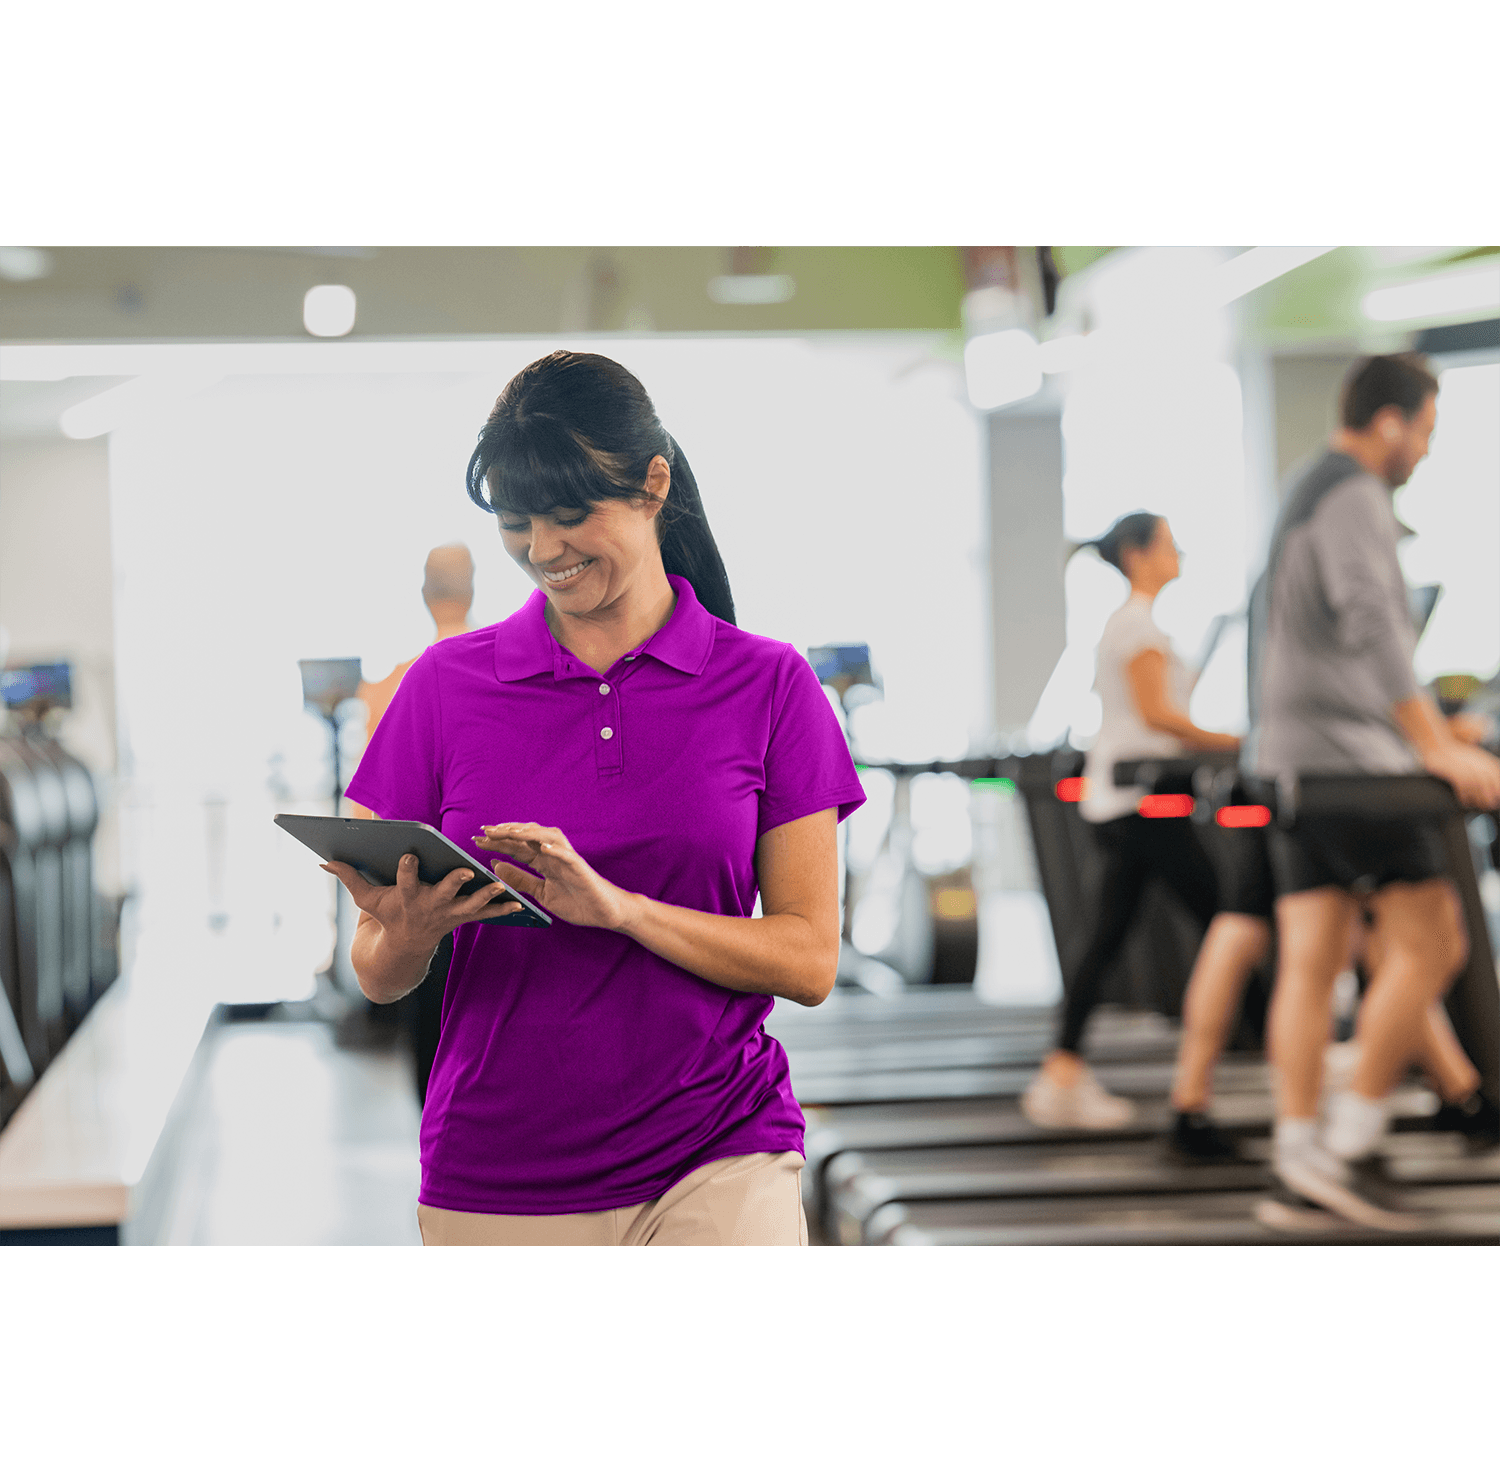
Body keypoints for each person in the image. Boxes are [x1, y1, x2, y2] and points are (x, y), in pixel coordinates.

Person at [325, 350, 866, 1245]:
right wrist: (410, 933)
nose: (543, 550)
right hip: (497, 1167)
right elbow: (377, 973)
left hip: (717, 1148)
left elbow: (808, 960)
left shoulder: (769, 685)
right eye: (516, 520)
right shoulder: (445, 687)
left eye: (571, 514)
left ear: (654, 485)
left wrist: (618, 910)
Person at [1250, 353, 1500, 1229]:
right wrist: (1435, 744)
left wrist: (1430, 730)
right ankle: (1348, 1137)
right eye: (1426, 431)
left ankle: (1295, 1152)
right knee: (1434, 944)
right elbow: (1374, 624)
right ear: (1389, 422)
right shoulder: (1355, 493)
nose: (1426, 451)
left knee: (1313, 956)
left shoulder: (1306, 485)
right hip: (1348, 769)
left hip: (1293, 762)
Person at [1023, 512, 1239, 1130]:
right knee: (1230, 921)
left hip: (1126, 799)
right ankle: (1292, 1054)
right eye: (1170, 544)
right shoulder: (1136, 624)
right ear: (1138, 555)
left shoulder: (1133, 623)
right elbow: (1159, 716)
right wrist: (1233, 741)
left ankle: (1061, 1071)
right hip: (1138, 801)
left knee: (1109, 935)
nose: (1180, 554)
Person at [351, 544, 476, 1104]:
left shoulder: (390, 686)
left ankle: (434, 1133)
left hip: (418, 888)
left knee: (432, 1039)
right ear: (472, 589)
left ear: (424, 594)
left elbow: (370, 809)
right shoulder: (507, 676)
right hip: (492, 890)